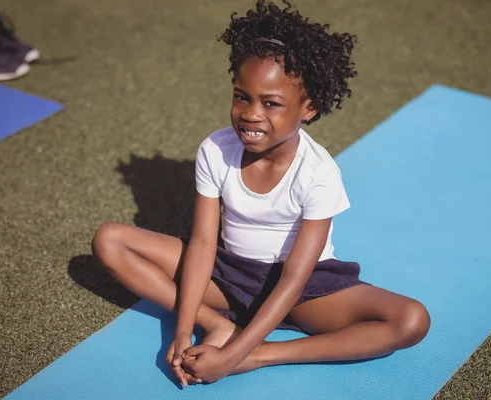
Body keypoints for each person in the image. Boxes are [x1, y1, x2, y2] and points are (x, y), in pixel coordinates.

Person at [92, 0, 430, 387]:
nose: (251, 113)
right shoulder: (215, 150)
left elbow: (294, 278)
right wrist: (183, 331)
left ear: (309, 109)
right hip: (229, 277)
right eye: (242, 96)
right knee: (110, 240)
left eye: (271, 103)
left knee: (411, 319)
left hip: (305, 292)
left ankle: (263, 354)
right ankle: (218, 324)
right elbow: (203, 242)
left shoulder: (319, 173)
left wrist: (236, 357)